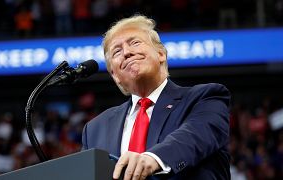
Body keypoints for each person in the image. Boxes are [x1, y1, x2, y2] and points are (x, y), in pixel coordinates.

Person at [81, 15, 231, 180]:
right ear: (115, 75)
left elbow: (194, 136)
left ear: (161, 54)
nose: (127, 52)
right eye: (117, 51)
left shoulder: (205, 98)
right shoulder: (94, 129)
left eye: (135, 43)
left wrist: (152, 158)